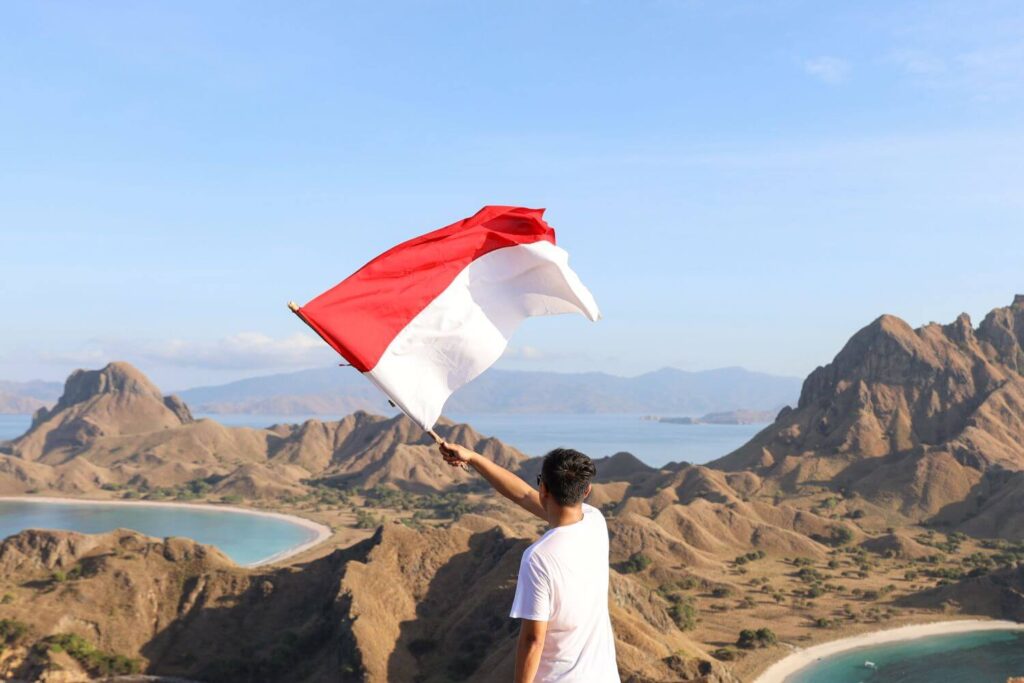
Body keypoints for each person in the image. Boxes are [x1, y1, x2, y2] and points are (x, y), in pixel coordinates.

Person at [438, 442, 619, 683]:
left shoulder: (538, 558)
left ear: (543, 488)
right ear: (586, 491)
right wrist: (471, 458)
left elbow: (533, 640)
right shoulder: (595, 522)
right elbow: (523, 495)